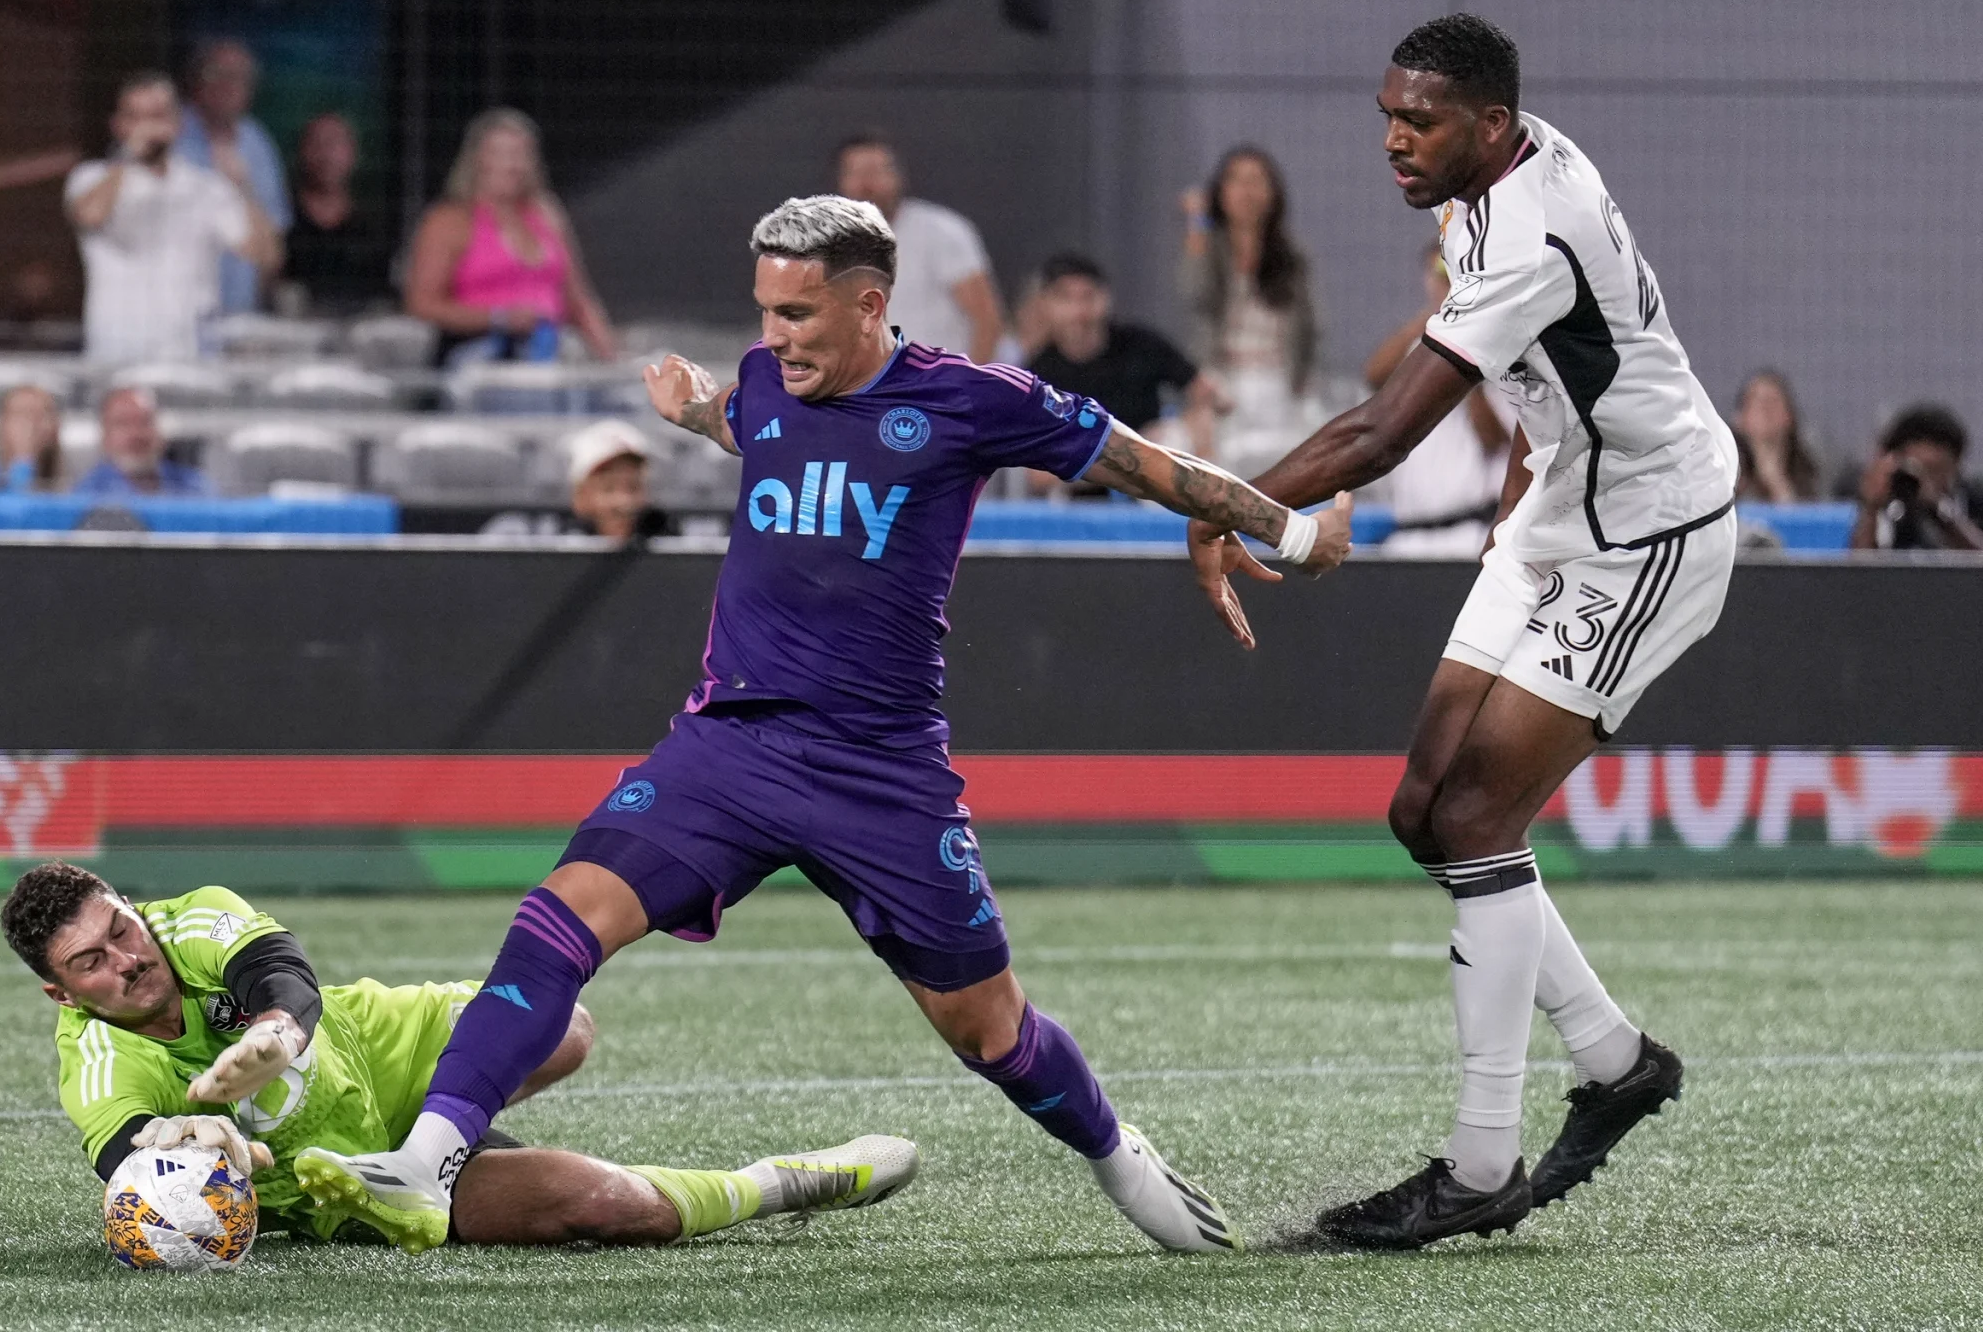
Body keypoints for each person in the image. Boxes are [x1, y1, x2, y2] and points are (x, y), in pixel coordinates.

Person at [293, 194, 1351, 1255]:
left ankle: (1119, 1156)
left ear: (869, 304)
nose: (773, 337)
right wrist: (699, 410)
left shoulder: (967, 399)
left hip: (880, 775)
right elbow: (752, 424)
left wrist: (1292, 532)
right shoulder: (763, 380)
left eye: (797, 314)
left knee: (987, 1031)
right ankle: (425, 1165)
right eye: (764, 311)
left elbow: (1139, 462)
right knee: (557, 919)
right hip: (729, 746)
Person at [1186, 15, 1733, 1248]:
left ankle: (1480, 1166)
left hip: (1646, 529)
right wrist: (1516, 515)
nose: (1391, 139)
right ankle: (1616, 1062)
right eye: (1385, 113)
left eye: (1416, 120)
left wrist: (1219, 502)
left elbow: (1382, 437)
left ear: (1488, 125)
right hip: (1555, 499)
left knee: (1481, 819)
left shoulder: (1526, 227)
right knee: (1422, 811)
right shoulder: (1488, 175)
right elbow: (1542, 374)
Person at [0, 861, 916, 1249]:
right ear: (60, 991)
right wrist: (170, 1144)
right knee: (604, 1207)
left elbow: (280, 972)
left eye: (121, 927)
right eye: (93, 962)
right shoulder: (94, 1061)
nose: (129, 958)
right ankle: (786, 1181)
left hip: (376, 1045)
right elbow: (121, 1154)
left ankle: (439, 1137)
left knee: (564, 1026)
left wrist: (277, 1033)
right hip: (334, 1182)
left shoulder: (189, 914)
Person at [66, 71, 276, 364]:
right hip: (116, 349)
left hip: (188, 353)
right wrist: (128, 156)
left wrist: (245, 188)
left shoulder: (206, 186)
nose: (148, 126)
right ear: (118, 125)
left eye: (157, 115)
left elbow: (264, 254)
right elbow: (90, 215)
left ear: (178, 124)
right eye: (136, 117)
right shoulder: (92, 177)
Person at [404, 108, 618, 366]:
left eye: (520, 154)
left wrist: (612, 359)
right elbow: (422, 303)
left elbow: (579, 299)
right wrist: (499, 318)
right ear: (478, 159)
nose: (512, 164)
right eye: (501, 154)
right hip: (480, 352)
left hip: (551, 349)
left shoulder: (546, 214)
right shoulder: (450, 221)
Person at [1177, 145, 1321, 477]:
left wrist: (1304, 378)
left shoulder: (1292, 256)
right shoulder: (1210, 249)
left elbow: (1311, 326)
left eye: (1257, 181)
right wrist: (1196, 224)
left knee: (1288, 466)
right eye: (1237, 181)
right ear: (1221, 192)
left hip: (1278, 378)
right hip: (1223, 379)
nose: (1247, 192)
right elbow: (1194, 292)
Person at [1362, 246, 1513, 557]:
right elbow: (1374, 374)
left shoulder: (1500, 351)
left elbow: (1494, 440)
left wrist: (1463, 364)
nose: (1449, 287)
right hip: (1409, 536)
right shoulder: (1420, 343)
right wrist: (1437, 319)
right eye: (1441, 278)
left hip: (1467, 535)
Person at [1024, 252, 1213, 467]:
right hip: (1080, 491)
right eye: (1065, 299)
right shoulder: (1037, 373)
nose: (1078, 312)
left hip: (1150, 478)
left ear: (1105, 298)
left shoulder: (1141, 344)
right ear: (1046, 304)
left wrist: (1183, 428)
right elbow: (1036, 471)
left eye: (1087, 297)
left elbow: (1206, 393)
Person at [834, 133, 1002, 363]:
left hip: (939, 389)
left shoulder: (942, 232)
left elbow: (986, 319)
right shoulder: (830, 244)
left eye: (874, 172)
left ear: (897, 177)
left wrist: (971, 387)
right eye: (855, 174)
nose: (866, 185)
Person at [173, 38, 291, 315]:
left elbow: (272, 247)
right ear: (195, 82)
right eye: (218, 75)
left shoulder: (257, 144)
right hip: (174, 315)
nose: (228, 86)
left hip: (239, 314)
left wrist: (242, 187)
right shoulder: (167, 133)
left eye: (239, 78)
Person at [480, 420, 675, 540]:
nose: (623, 502)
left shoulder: (674, 544)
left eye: (633, 487)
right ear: (581, 496)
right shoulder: (548, 550)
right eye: (608, 489)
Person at [282, 112, 395, 315]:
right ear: (302, 151)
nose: (326, 155)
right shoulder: (281, 219)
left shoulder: (372, 230)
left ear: (353, 153)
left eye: (335, 144)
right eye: (317, 143)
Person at [1847, 404, 1982, 551]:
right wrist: (1871, 510)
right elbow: (1859, 568)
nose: (1924, 480)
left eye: (1935, 471)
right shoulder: (1884, 505)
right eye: (1917, 469)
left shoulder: (1974, 501)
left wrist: (1940, 510)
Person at [75, 384, 210, 496]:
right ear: (105, 435)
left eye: (145, 421)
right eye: (123, 424)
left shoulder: (194, 486)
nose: (136, 433)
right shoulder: (88, 496)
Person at [1730, 368, 1821, 504]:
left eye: (1773, 401)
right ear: (1739, 419)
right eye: (1756, 401)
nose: (1765, 409)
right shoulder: (1726, 477)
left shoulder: (1812, 473)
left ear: (1789, 416)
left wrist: (1776, 480)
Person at [0, 384, 63, 494]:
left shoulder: (73, 484)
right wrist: (23, 460)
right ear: (0, 426)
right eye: (21, 415)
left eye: (40, 416)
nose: (31, 426)